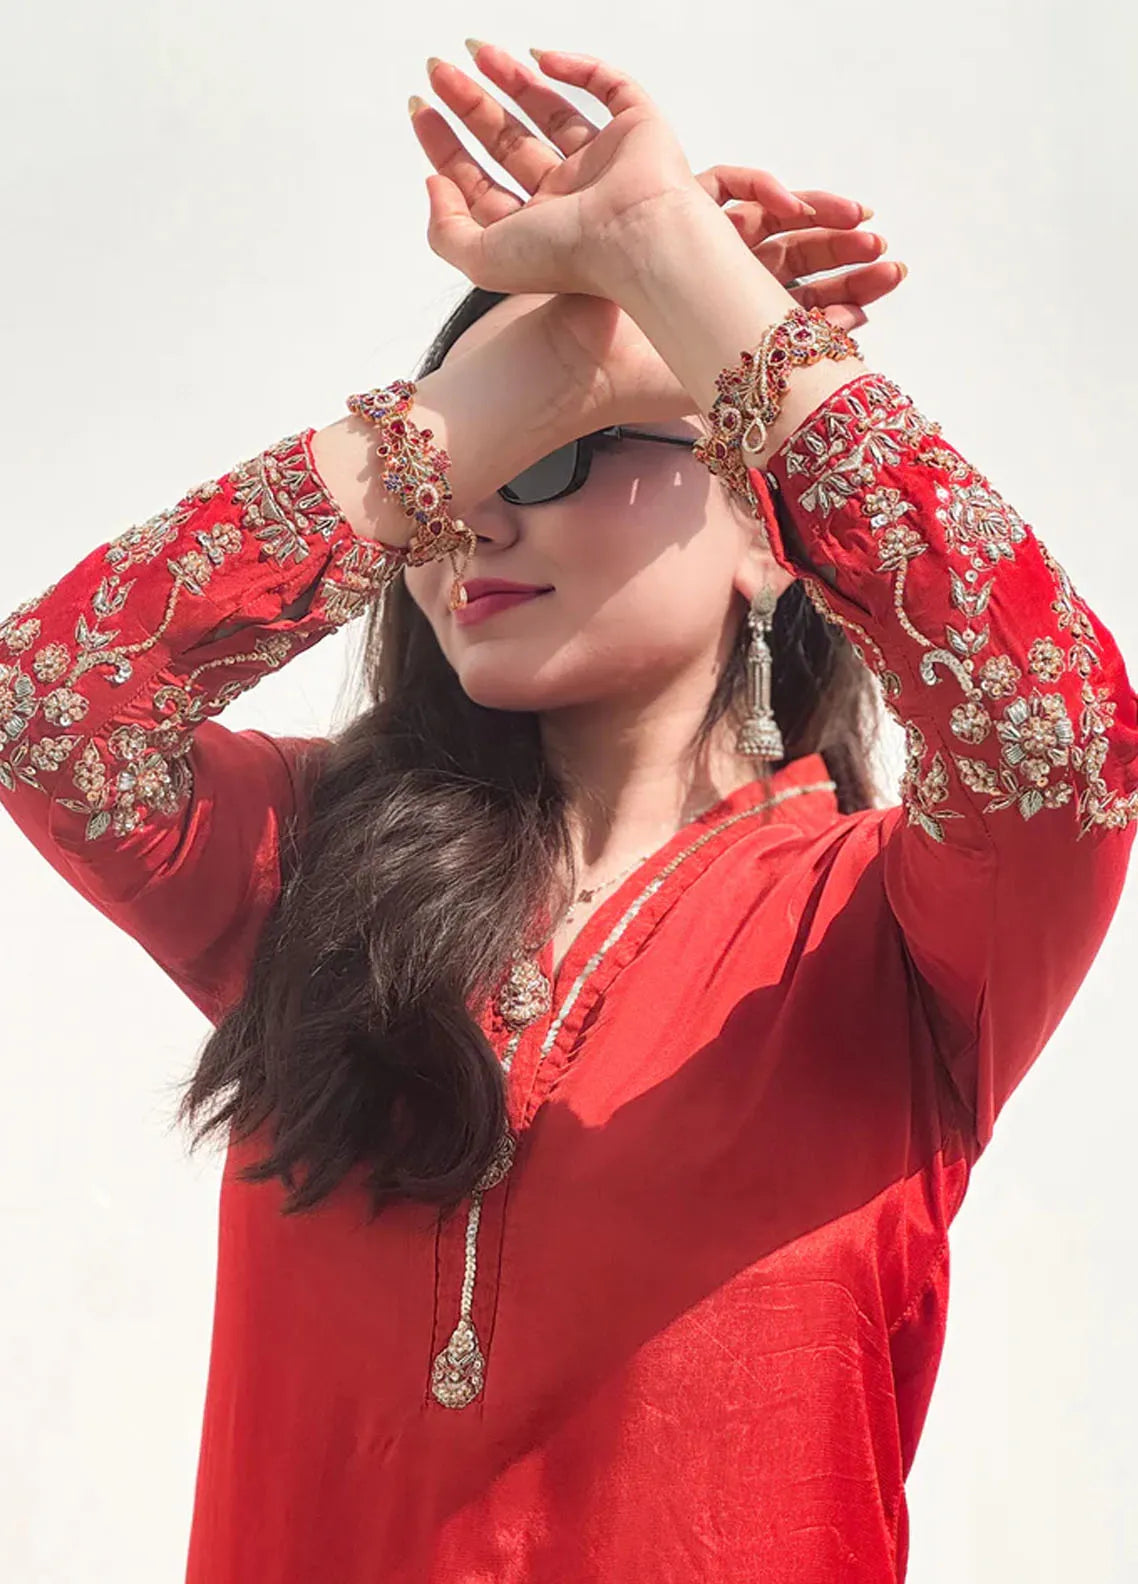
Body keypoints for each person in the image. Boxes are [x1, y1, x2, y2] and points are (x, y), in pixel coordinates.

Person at [2, 39, 1134, 1584]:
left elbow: (1053, 723)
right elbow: (50, 707)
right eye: (461, 454)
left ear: (767, 531)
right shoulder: (306, 862)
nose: (476, 509)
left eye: (567, 451)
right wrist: (543, 382)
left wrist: (679, 262)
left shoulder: (893, 937)